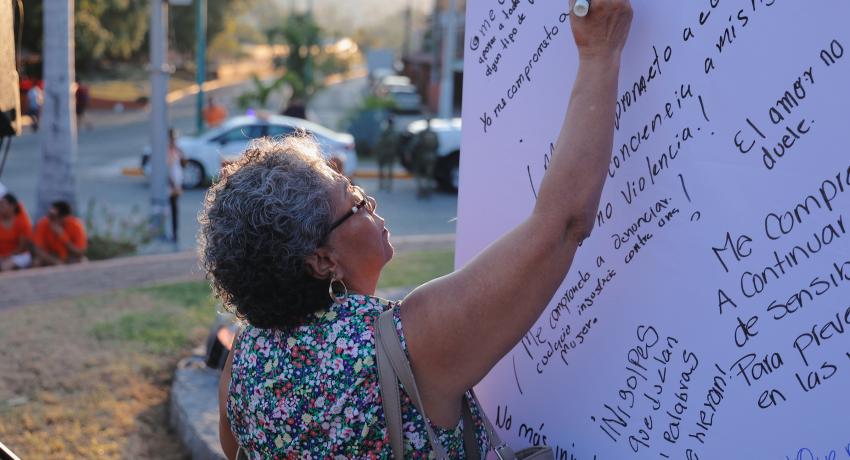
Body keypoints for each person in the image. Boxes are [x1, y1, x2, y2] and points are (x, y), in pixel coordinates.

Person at [203, 0, 632, 457]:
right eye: (355, 203)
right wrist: (598, 55)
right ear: (322, 259)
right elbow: (562, 224)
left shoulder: (244, 361)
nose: (371, 204)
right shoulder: (409, 344)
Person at [32, 200, 87, 266]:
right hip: (51, 257)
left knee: (83, 261)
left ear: (64, 217)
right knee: (37, 262)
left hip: (69, 257)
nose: (51, 219)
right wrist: (55, 262)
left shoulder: (76, 225)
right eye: (50, 216)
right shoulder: (43, 224)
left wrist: (62, 236)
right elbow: (38, 250)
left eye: (54, 217)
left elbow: (80, 252)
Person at [408, 117, 439, 199]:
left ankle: (421, 190)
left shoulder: (422, 133)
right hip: (432, 156)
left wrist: (410, 153)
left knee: (419, 173)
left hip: (422, 156)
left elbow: (414, 144)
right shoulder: (434, 133)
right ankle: (428, 191)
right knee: (429, 175)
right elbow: (437, 145)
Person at [0, 194, 33, 271]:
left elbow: (22, 247)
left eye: (2, 205)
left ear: (12, 206)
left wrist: (7, 256)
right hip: (2, 256)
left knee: (5, 266)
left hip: (19, 255)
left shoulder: (22, 222)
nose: (0, 207)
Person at [168, 128, 186, 243]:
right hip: (170, 186)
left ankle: (174, 233)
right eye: (173, 139)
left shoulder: (175, 150)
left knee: (174, 209)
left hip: (176, 184)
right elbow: (167, 169)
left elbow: (183, 163)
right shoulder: (167, 152)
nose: (174, 141)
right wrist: (173, 184)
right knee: (170, 209)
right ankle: (170, 233)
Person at [374, 116, 400, 192]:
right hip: (391, 152)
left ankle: (381, 185)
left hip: (383, 152)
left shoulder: (384, 131)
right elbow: (397, 143)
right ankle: (389, 186)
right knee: (390, 169)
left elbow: (379, 142)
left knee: (382, 169)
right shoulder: (395, 132)